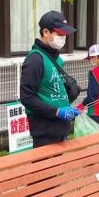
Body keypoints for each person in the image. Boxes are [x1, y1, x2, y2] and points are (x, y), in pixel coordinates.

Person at [19, 10, 80, 147]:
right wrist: (57, 112)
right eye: (60, 34)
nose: (63, 38)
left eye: (65, 35)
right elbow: (26, 97)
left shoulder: (57, 59)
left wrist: (67, 105)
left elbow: (53, 90)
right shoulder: (35, 59)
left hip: (62, 129)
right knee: (45, 168)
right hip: (45, 133)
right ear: (46, 32)